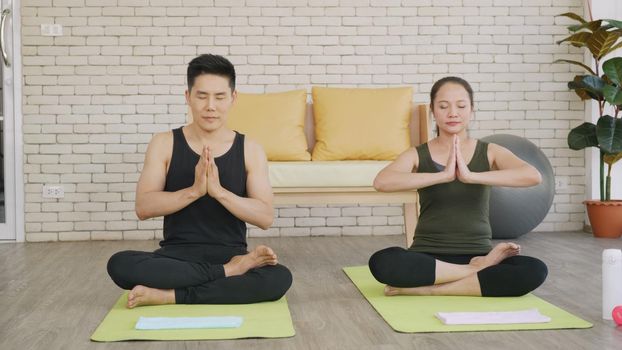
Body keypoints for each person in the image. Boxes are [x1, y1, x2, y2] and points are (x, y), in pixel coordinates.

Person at [107, 54, 292, 308]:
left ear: (233, 98)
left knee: (279, 278)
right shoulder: (164, 143)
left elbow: (265, 217)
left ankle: (170, 295)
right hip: (176, 257)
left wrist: (218, 192)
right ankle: (226, 274)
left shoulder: (250, 149)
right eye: (202, 96)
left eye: (219, 97)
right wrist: (194, 191)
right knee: (119, 264)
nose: (210, 106)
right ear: (188, 97)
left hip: (230, 252)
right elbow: (144, 207)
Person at [368, 77, 548, 297]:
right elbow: (382, 182)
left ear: (471, 110)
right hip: (427, 256)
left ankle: (430, 290)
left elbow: (532, 176)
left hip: (478, 252)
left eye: (461, 106)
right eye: (443, 106)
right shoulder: (418, 153)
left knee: (534, 270)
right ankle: (474, 272)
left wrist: (472, 176)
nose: (453, 113)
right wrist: (442, 176)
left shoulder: (489, 151)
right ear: (433, 111)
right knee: (383, 262)